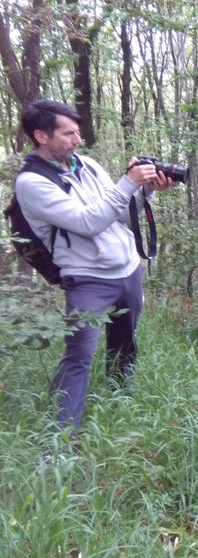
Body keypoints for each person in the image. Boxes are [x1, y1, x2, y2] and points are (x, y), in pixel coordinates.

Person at [14, 99, 174, 432]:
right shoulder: (32, 183)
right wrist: (127, 182)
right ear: (41, 136)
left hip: (127, 268)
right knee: (79, 357)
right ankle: (59, 439)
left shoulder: (85, 165)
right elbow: (87, 222)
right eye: (68, 133)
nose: (77, 139)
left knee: (125, 343)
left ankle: (119, 404)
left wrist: (146, 190)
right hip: (87, 278)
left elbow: (117, 210)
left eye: (77, 132)